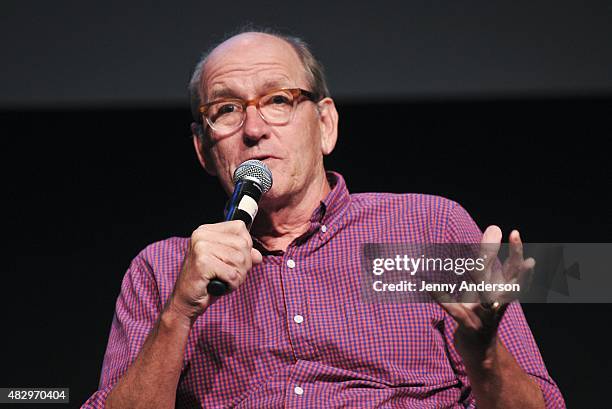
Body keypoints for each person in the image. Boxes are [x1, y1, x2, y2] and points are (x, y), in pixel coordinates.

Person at [83, 29, 565, 408]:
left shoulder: (427, 228)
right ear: (203, 149)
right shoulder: (163, 270)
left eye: (278, 100)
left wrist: (482, 354)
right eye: (226, 109)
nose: (253, 129)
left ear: (325, 124)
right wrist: (177, 315)